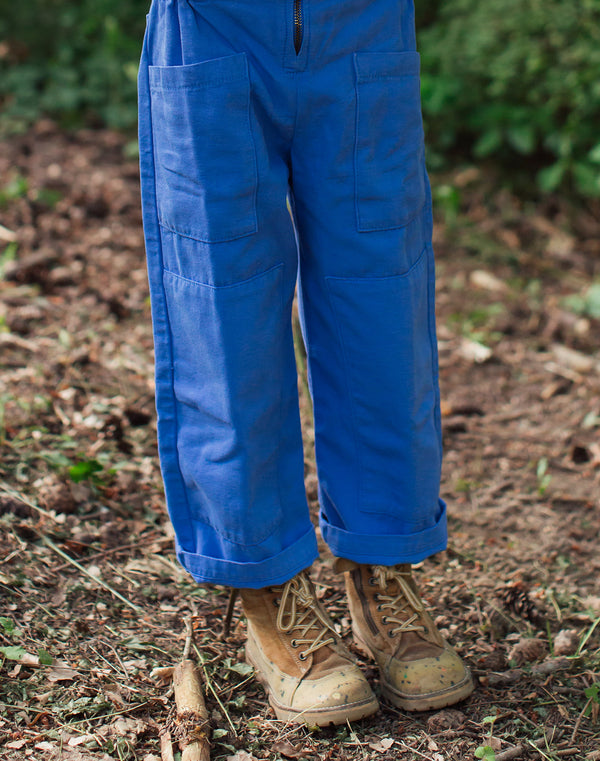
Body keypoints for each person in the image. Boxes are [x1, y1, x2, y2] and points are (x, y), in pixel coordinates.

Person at [137, 0, 474, 726]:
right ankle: (269, 590)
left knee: (382, 300)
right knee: (223, 308)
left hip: (364, 21)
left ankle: (383, 567)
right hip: (213, 23)